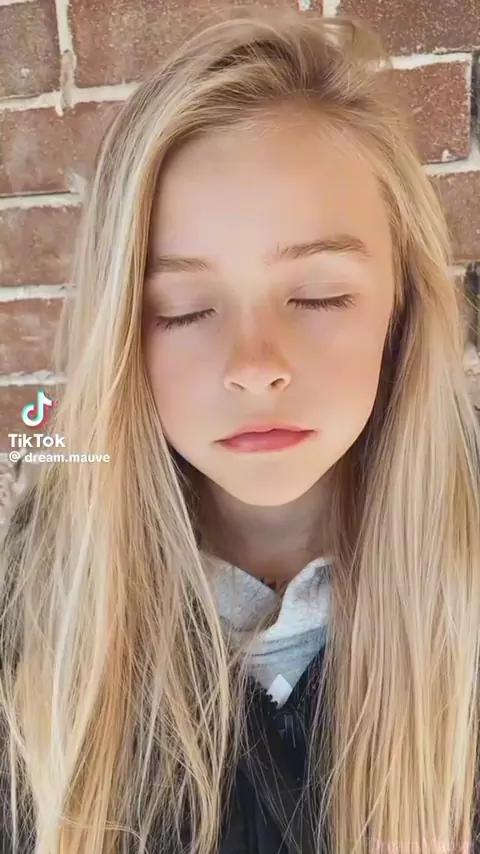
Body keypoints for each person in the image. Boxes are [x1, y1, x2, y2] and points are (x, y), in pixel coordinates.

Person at [1, 7, 479, 854]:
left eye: (319, 296)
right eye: (184, 310)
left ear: (401, 306)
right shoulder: (34, 617)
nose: (254, 366)